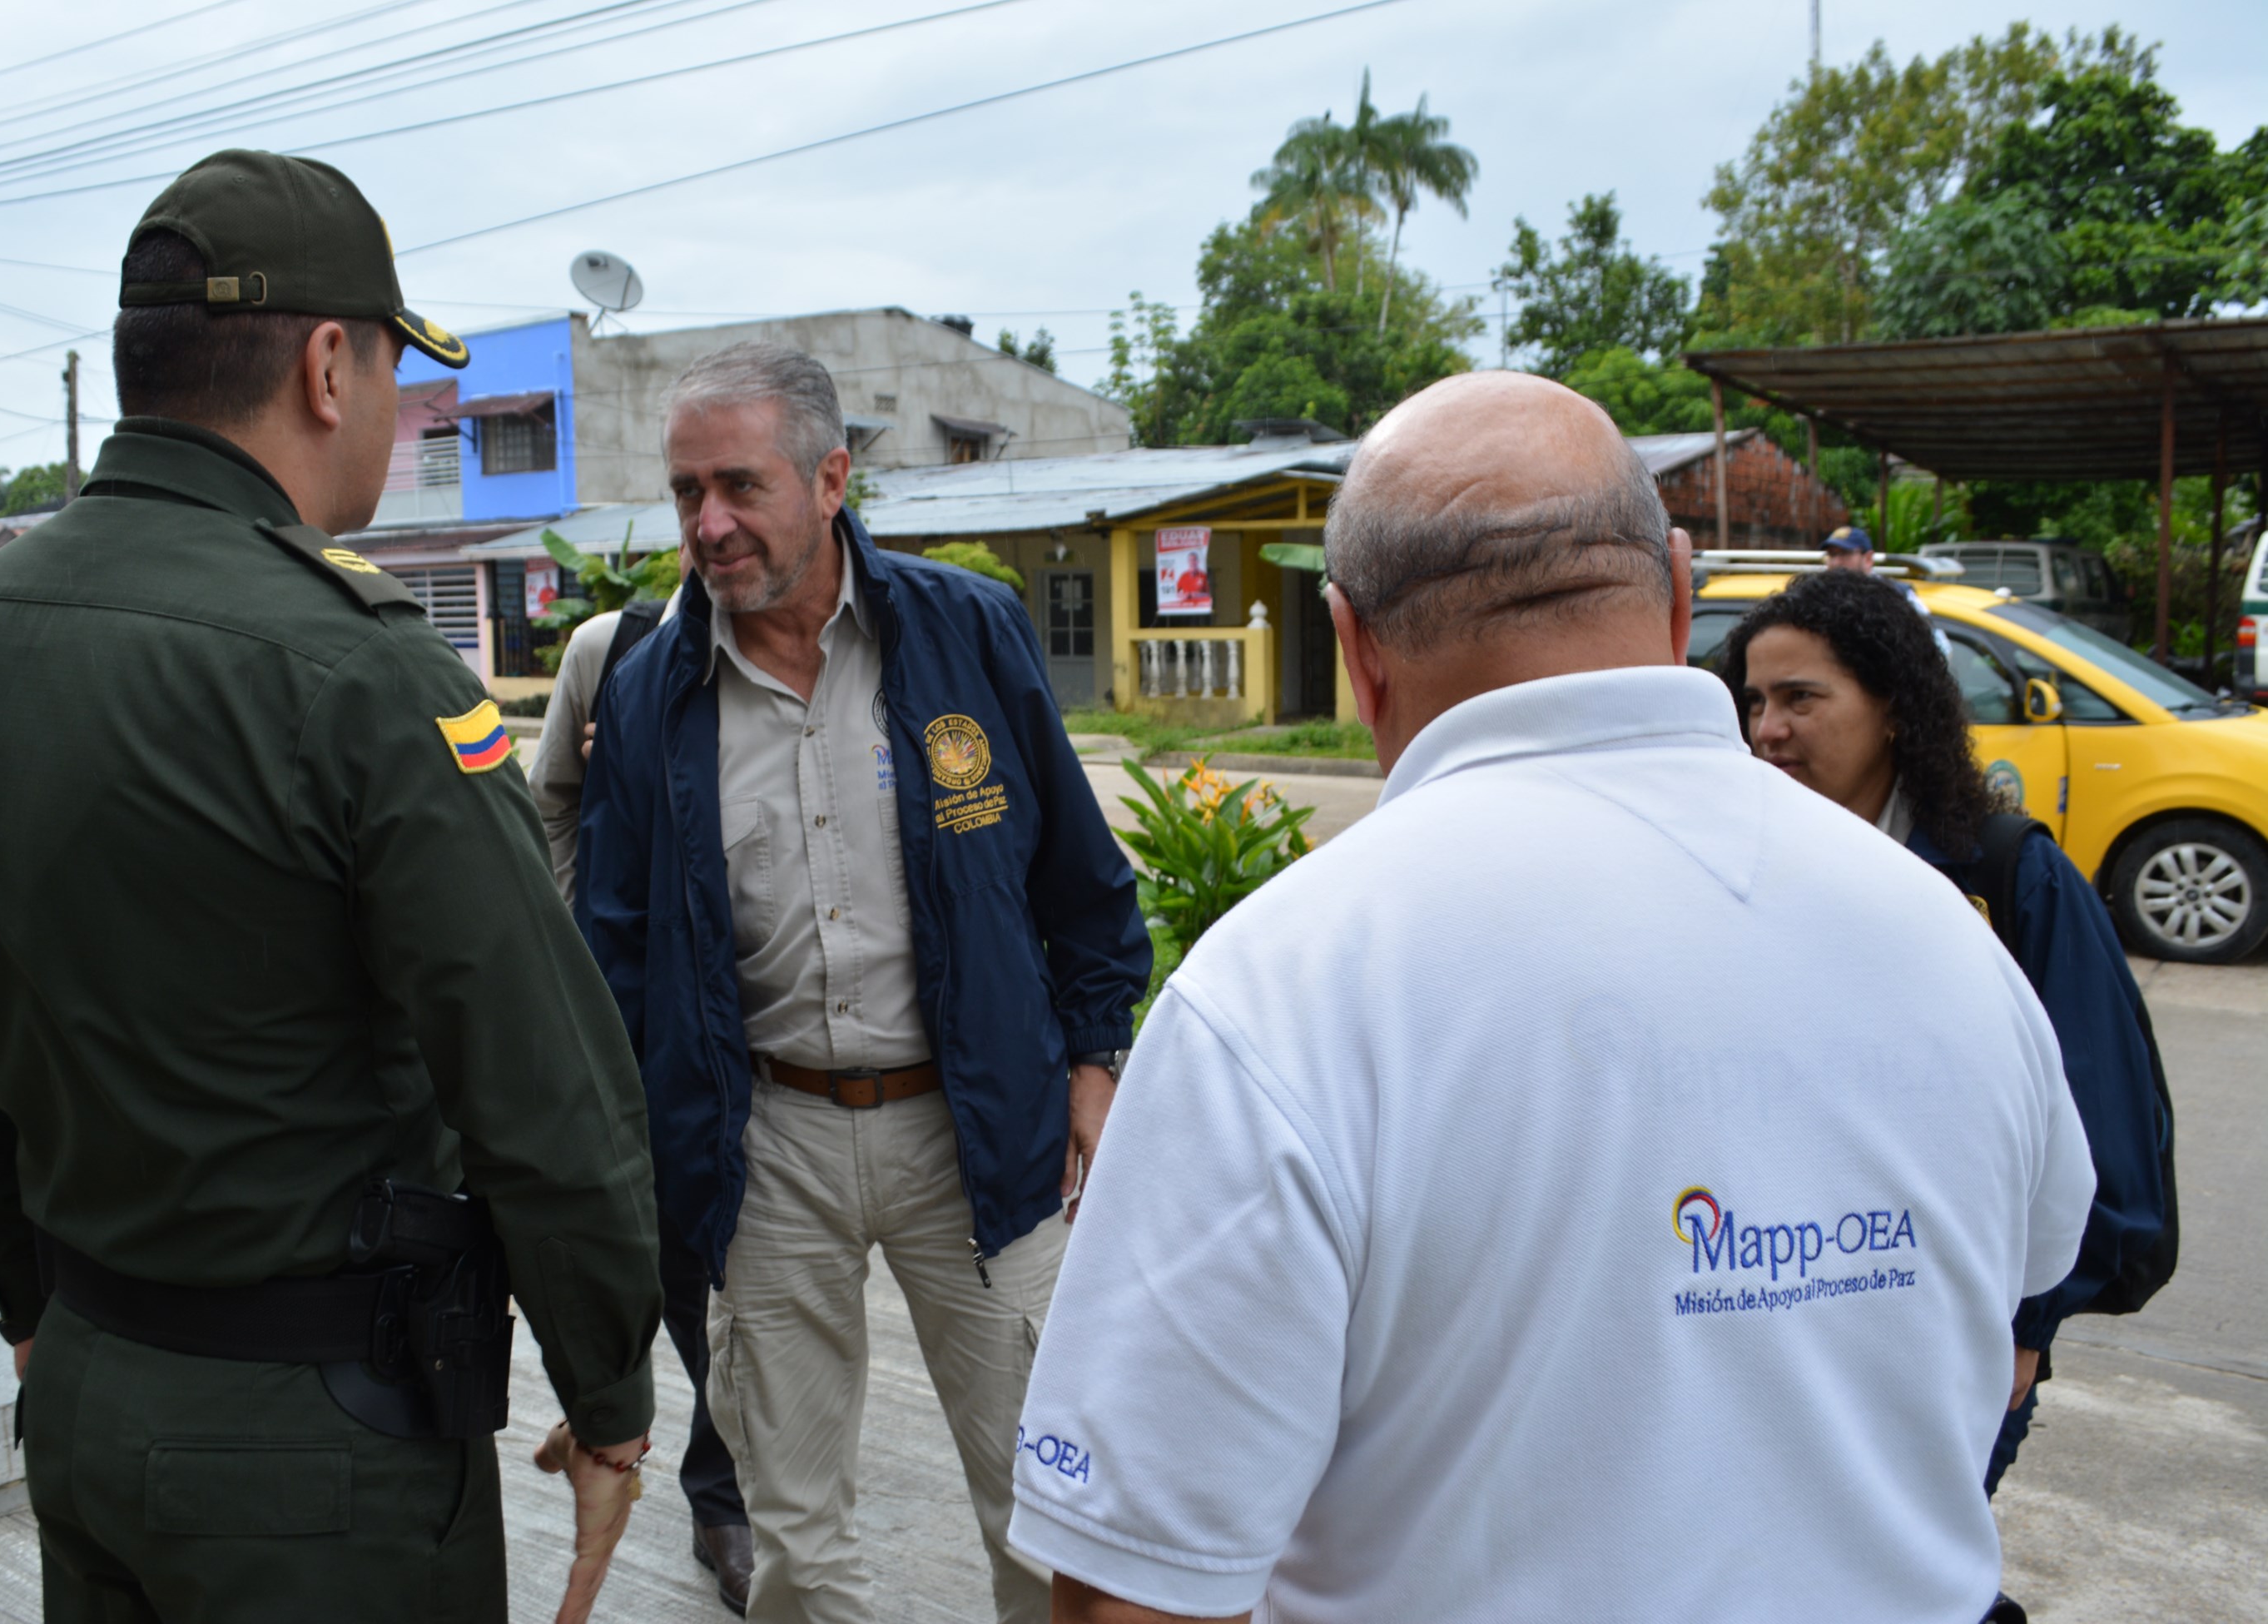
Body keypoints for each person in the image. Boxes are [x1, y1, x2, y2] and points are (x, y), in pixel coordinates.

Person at [1010, 370, 2096, 1624]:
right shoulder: (1943, 937)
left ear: (1352, 644)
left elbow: (1136, 1589)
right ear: (1682, 591)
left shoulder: (1282, 991)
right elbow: (2035, 1268)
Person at [0, 149, 659, 1624]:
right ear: (323, 365)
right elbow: (540, 1080)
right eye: (393, 374)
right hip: (322, 1452)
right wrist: (609, 1383)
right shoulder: (360, 674)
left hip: (91, 1390)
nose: (395, 412)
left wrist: (34, 1310)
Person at [579, 341, 1150, 1624]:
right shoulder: (651, 692)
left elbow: (1081, 878)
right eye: (685, 493)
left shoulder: (968, 634)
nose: (708, 524)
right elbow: (612, 956)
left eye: (739, 485)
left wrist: (1096, 1059)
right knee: (794, 1544)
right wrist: (637, 1163)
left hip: (981, 1133)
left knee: (1046, 1511)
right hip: (764, 1141)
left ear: (831, 477)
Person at [1721, 569, 2176, 1503]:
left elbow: (2099, 1120)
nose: (1768, 728)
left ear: (1894, 706)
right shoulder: (1741, 871)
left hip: (1957, 1328)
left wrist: (2028, 1323)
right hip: (1782, 1317)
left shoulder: (2008, 876)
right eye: (1756, 700)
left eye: (1803, 697)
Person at [532, 562, 754, 1616]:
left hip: (766, 1025)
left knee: (757, 1263)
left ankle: (731, 1486)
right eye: (690, 495)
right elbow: (552, 807)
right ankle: (719, 1490)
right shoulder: (605, 650)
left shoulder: (800, 655)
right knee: (671, 1259)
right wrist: (582, 960)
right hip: (639, 1018)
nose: (715, 527)